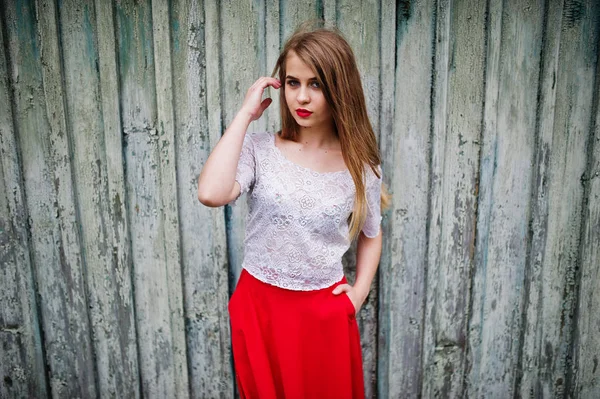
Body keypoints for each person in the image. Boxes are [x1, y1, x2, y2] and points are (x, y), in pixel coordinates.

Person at [198, 22, 389, 399]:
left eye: (315, 84)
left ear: (339, 88)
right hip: (259, 309)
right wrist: (244, 116)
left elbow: (372, 232)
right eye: (292, 82)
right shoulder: (259, 149)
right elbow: (210, 192)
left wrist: (359, 292)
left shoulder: (361, 166)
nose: (301, 97)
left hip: (323, 314)